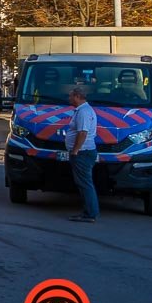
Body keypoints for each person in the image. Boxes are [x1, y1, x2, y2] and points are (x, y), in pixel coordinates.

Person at [65, 86, 99, 223]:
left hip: (83, 153)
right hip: (84, 152)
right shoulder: (83, 110)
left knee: (85, 184)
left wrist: (75, 151)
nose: (69, 98)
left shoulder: (83, 112)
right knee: (84, 183)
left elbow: (83, 133)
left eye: (71, 96)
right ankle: (89, 211)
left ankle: (90, 213)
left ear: (77, 96)